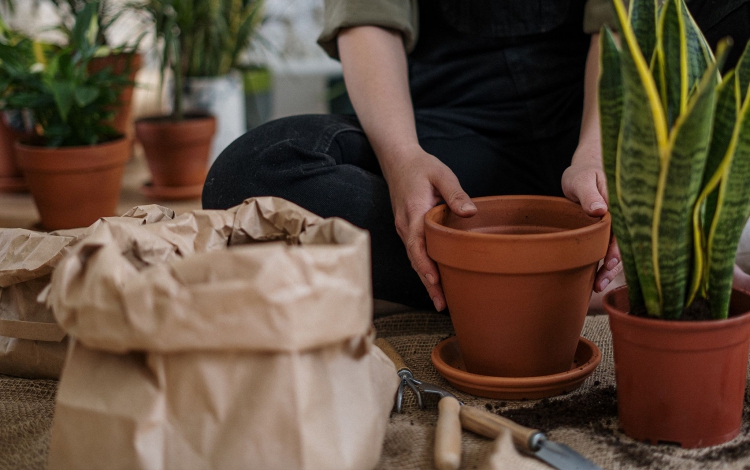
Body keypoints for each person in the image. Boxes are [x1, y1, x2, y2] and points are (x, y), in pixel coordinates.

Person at [202, 0, 750, 311]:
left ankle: (506, 276)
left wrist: (597, 155)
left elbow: (620, 27)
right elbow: (368, 19)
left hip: (596, 113)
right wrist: (403, 161)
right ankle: (570, 280)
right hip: (451, 137)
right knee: (250, 172)